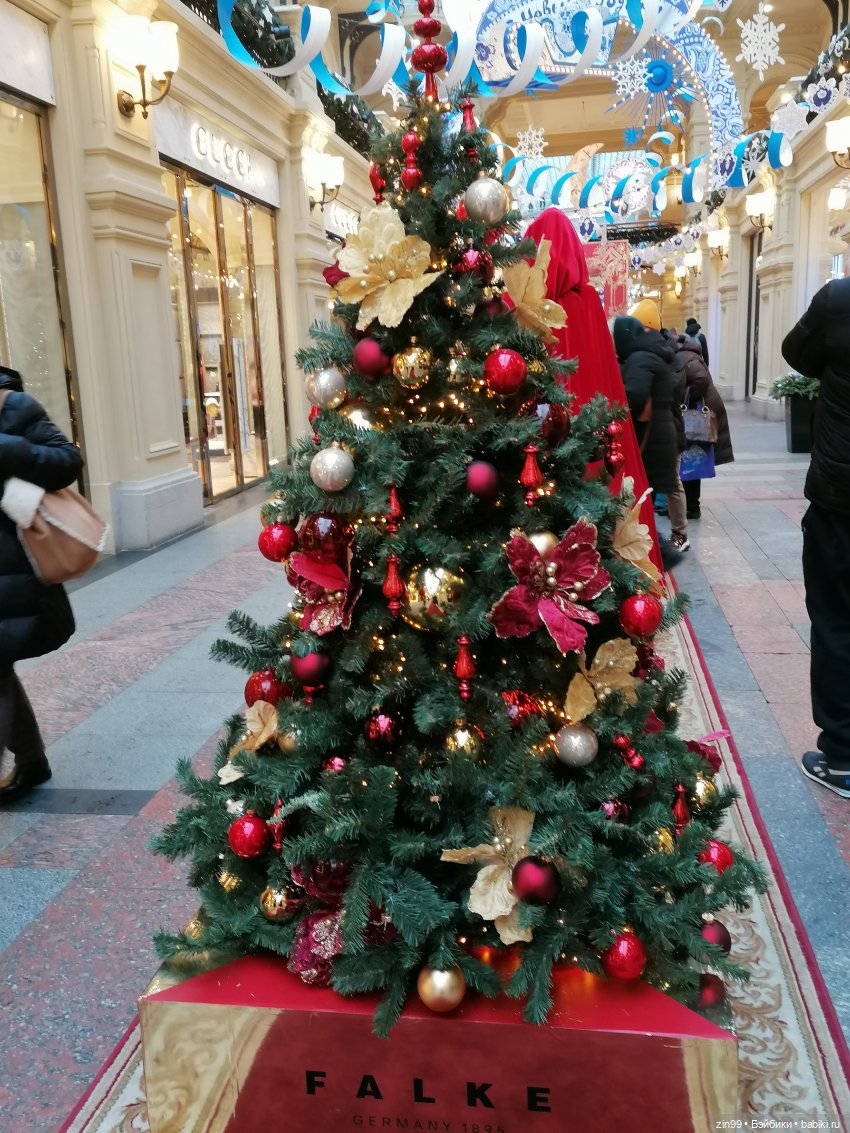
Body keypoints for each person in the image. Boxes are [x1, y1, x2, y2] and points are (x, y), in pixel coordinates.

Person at [524, 209, 661, 573]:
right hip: (592, 427)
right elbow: (603, 371)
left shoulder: (527, 308)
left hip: (541, 428)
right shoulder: (587, 301)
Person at [0, 366, 81, 801]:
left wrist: (7, 448)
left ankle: (32, 762)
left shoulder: (12, 405)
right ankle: (31, 762)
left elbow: (67, 461)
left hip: (13, 567)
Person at [782, 280, 850, 797]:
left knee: (836, 620)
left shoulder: (839, 301)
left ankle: (844, 758)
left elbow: (796, 354)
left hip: (841, 500)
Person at [612, 314, 682, 555]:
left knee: (638, 506)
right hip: (660, 437)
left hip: (651, 442)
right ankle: (657, 555)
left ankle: (664, 556)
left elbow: (634, 395)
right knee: (642, 506)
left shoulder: (640, 357)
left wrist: (610, 402)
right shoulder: (650, 353)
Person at [678, 335, 733, 519]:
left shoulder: (685, 357)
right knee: (693, 460)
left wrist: (688, 398)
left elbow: (700, 379)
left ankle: (692, 506)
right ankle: (692, 505)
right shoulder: (691, 355)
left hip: (697, 417)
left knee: (691, 460)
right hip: (700, 416)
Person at [661, 327, 690, 551]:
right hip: (669, 428)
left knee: (673, 482)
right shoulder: (674, 361)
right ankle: (679, 532)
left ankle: (680, 533)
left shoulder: (673, 363)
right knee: (672, 482)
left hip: (670, 429)